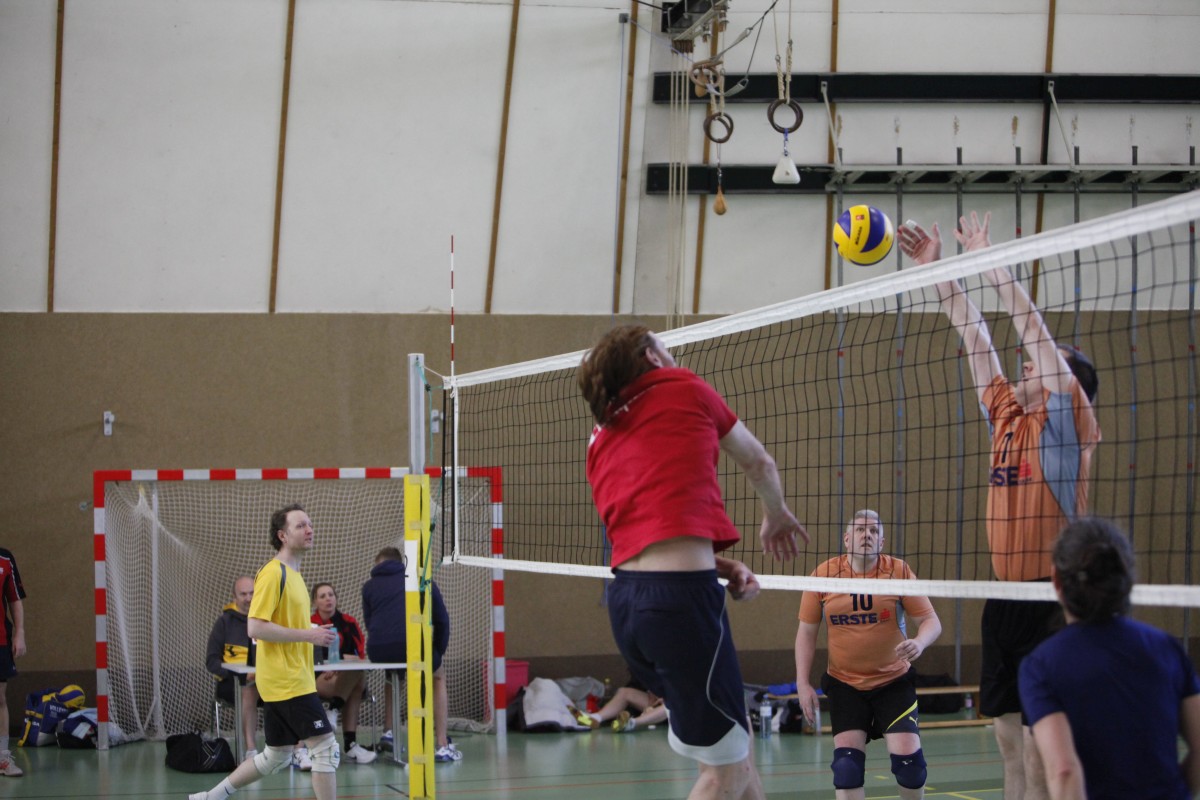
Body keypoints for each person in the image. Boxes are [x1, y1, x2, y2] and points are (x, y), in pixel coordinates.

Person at [900, 212, 1101, 800]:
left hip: (1051, 600)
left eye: (1037, 364)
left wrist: (990, 262)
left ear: (1067, 384)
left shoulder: (1067, 424)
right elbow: (975, 335)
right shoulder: (1008, 417)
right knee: (1008, 740)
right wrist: (939, 272)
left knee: (1042, 747)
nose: (1025, 364)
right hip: (1004, 597)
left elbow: (1031, 330)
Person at [577, 323, 808, 800]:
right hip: (679, 606)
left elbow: (644, 526)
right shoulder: (685, 388)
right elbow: (760, 463)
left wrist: (718, 565)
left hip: (629, 606)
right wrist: (776, 514)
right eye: (666, 346)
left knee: (736, 743)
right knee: (725, 774)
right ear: (652, 357)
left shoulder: (600, 434)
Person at [1020, 517, 1200, 800]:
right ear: (1126, 577)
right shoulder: (1166, 648)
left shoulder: (1041, 665)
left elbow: (1064, 771)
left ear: (1056, 580)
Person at [187, 503, 341, 800]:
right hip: (287, 681)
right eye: (300, 525)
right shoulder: (273, 573)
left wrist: (309, 632)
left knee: (275, 756)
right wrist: (309, 634)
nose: (309, 530)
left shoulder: (295, 575)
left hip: (291, 679)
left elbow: (282, 626)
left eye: (310, 524)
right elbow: (255, 627)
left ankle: (210, 797)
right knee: (324, 748)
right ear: (283, 535)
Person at [794, 510, 942, 800]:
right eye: (860, 530)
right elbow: (806, 633)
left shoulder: (898, 572)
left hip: (893, 682)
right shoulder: (823, 575)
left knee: (910, 768)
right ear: (847, 539)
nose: (867, 535)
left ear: (882, 542)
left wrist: (919, 642)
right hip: (845, 685)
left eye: (874, 531)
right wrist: (802, 682)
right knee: (846, 768)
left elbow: (931, 621)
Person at [361, 547, 459, 762]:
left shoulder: (369, 586)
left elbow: (370, 623)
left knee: (392, 675)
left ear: (378, 564)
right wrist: (438, 652)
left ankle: (388, 731)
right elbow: (442, 619)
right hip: (412, 646)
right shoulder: (421, 581)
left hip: (379, 649)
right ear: (400, 563)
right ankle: (442, 743)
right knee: (438, 676)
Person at [307, 582, 376, 765]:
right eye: (322, 596)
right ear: (315, 602)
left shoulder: (349, 622)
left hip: (344, 676)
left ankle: (334, 710)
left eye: (331, 594)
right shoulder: (309, 624)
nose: (328, 599)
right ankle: (350, 744)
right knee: (356, 681)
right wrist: (329, 664)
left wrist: (339, 664)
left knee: (356, 674)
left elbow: (359, 655)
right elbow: (308, 654)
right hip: (318, 677)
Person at [204, 576, 261, 762]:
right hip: (231, 684)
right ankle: (251, 750)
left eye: (252, 593)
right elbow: (211, 661)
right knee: (248, 690)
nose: (248, 598)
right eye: (243, 594)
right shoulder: (224, 622)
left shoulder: (266, 621)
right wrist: (237, 675)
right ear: (234, 597)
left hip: (264, 680)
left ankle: (295, 750)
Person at [0, 547, 26, 778]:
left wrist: (19, 633)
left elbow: (14, 599)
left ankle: (2, 758)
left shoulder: (5, 559)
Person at [583, 673, 668, 733]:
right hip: (661, 701)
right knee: (624, 692)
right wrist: (651, 704)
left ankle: (631, 723)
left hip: (672, 708)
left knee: (670, 705)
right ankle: (596, 718)